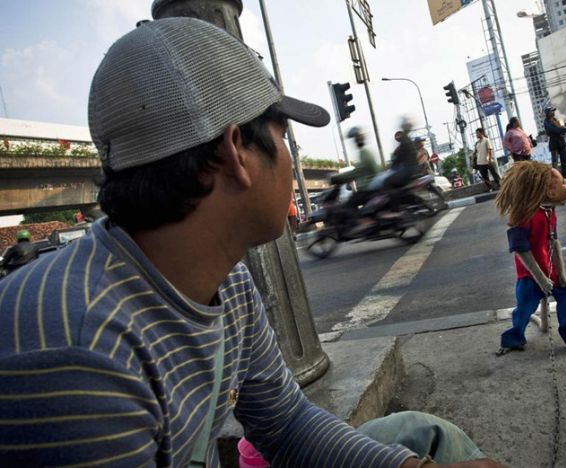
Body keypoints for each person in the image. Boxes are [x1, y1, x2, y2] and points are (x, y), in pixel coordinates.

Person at [0, 18, 499, 468]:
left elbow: (285, 424)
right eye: (283, 136)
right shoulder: (76, 351)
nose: (289, 158)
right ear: (237, 150)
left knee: (424, 439)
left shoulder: (229, 284)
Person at [494, 161, 566, 358]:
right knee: (523, 308)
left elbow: (554, 242)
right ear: (547, 190)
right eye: (562, 184)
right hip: (530, 274)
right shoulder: (523, 215)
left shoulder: (549, 211)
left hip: (550, 270)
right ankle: (513, 340)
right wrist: (540, 279)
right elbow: (521, 250)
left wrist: (562, 276)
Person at [543, 107, 566, 178]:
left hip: (561, 141)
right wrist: (565, 131)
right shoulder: (546, 122)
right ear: (548, 113)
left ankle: (565, 174)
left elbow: (562, 127)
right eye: (551, 111)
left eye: (553, 111)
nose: (553, 112)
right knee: (555, 161)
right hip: (553, 142)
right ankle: (556, 176)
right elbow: (554, 130)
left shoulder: (556, 120)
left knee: (564, 159)